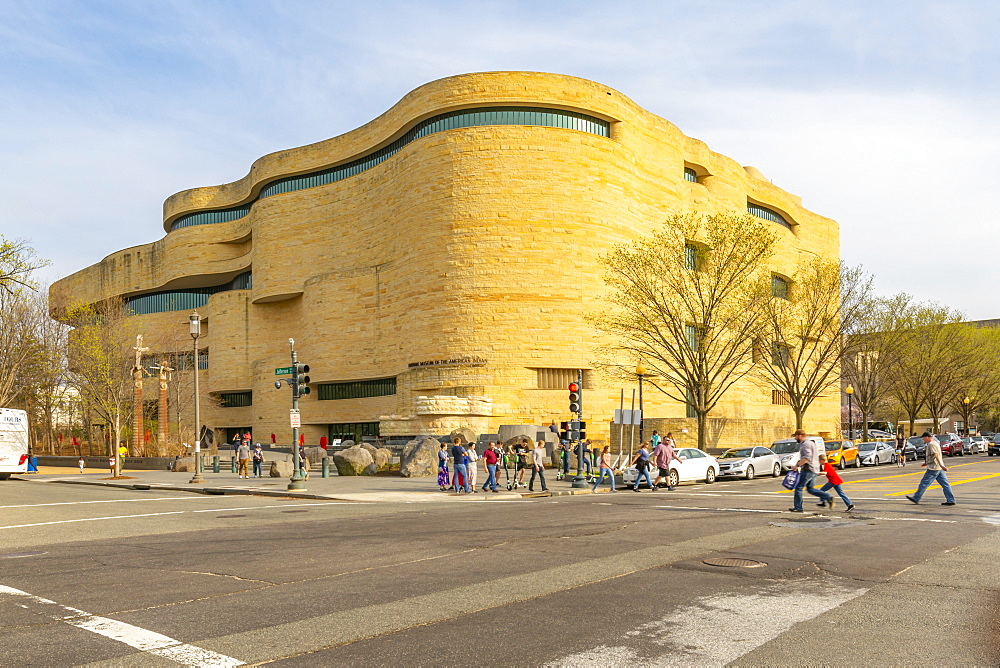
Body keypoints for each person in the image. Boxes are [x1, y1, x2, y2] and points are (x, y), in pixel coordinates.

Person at [907, 432, 956, 506]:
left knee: (924, 483)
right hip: (938, 467)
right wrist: (927, 463)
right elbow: (933, 456)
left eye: (923, 438)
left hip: (934, 468)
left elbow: (936, 455)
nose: (923, 440)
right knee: (945, 484)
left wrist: (941, 465)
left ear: (927, 437)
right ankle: (951, 500)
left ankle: (916, 498)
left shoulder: (931, 444)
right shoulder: (935, 443)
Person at [789, 429, 832, 512]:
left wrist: (797, 466)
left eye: (796, 436)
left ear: (800, 436)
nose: (795, 438)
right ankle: (828, 497)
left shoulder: (805, 444)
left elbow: (807, 458)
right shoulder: (810, 443)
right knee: (810, 489)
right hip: (814, 469)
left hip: (808, 469)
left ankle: (798, 507)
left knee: (798, 488)